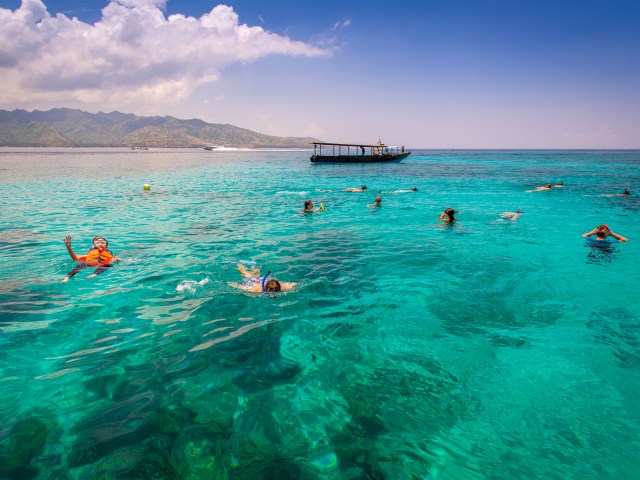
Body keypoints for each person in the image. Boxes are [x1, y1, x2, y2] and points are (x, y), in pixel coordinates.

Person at [228, 263, 297, 293]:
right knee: (246, 274)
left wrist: (294, 287)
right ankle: (240, 265)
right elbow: (244, 288)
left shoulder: (283, 288)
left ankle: (253, 267)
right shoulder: (257, 290)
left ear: (279, 288)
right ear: (266, 289)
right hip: (254, 282)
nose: (273, 292)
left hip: (263, 280)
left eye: (276, 290)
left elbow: (292, 284)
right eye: (271, 290)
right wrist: (234, 285)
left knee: (257, 275)